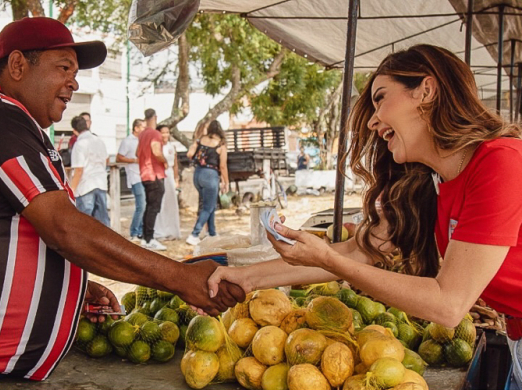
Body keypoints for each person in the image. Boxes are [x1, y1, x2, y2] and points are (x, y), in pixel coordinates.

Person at [0, 17, 244, 390]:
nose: (74, 82)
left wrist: (72, 289)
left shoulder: (14, 122)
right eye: (63, 68)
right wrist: (180, 278)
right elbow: (63, 228)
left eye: (75, 72)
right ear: (17, 66)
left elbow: (10, 229)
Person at [206, 44, 522, 387]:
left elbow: (449, 304)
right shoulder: (434, 182)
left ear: (426, 91)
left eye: (381, 98)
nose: (372, 121)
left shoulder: (502, 162)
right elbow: (359, 251)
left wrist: (328, 259)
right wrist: (244, 278)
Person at [185, 120, 229, 246]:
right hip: (211, 175)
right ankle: (194, 234)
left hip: (198, 174)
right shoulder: (221, 145)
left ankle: (212, 233)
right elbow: (223, 166)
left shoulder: (200, 140)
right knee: (208, 207)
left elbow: (190, 154)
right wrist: (226, 182)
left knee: (208, 205)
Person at [70, 115, 110, 227]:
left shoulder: (79, 144)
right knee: (102, 223)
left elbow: (79, 170)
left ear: (74, 131)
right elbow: (107, 159)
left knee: (84, 224)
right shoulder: (99, 141)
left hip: (85, 186)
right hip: (101, 183)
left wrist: (72, 190)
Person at [136, 108, 168, 251]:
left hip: (144, 173)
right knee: (153, 207)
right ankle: (149, 238)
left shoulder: (142, 134)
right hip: (155, 173)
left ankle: (145, 237)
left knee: (149, 206)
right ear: (155, 117)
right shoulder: (155, 134)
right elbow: (156, 151)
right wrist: (164, 160)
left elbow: (137, 152)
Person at [116, 118, 147, 241]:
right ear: (136, 128)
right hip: (135, 176)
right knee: (141, 205)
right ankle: (134, 232)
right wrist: (134, 160)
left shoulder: (143, 140)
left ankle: (140, 231)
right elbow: (119, 157)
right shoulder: (128, 141)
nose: (145, 130)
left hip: (144, 175)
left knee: (145, 205)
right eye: (143, 127)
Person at [154, 124, 181, 240]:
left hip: (169, 175)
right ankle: (160, 231)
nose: (165, 135)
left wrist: (176, 179)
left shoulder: (172, 147)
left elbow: (175, 164)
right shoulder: (156, 147)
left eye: (167, 132)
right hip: (159, 174)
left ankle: (172, 231)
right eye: (163, 132)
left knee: (171, 203)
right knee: (160, 202)